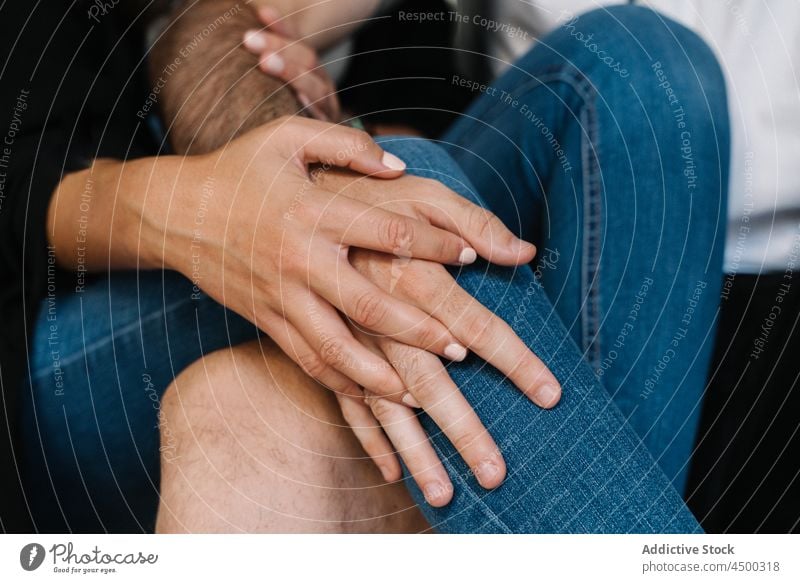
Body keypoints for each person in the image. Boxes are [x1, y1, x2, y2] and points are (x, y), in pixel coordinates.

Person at [2, 0, 727, 532]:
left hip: (350, 187)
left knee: (644, 60)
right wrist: (239, 209)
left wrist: (345, 158)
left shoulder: (414, 23)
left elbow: (414, 131)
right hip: (83, 330)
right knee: (397, 197)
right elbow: (25, 184)